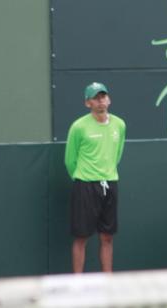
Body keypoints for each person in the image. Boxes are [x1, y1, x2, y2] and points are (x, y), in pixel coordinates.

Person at [65, 82, 126, 273]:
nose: (101, 101)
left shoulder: (119, 124)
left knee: (107, 237)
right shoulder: (78, 127)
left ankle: (107, 283)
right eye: (96, 98)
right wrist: (84, 177)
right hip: (85, 186)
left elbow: (117, 154)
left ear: (109, 99)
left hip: (110, 183)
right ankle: (77, 285)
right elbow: (70, 161)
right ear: (88, 103)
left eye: (103, 97)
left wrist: (106, 173)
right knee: (81, 237)